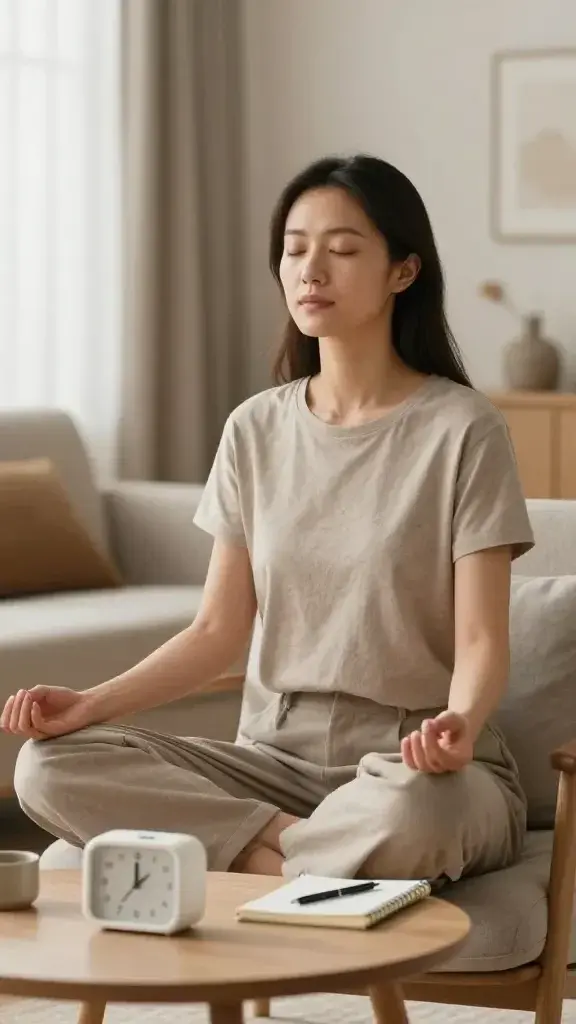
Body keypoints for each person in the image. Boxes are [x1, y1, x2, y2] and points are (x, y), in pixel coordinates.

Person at [2, 154, 534, 883]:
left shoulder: (464, 430)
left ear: (402, 273)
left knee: (419, 817)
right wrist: (88, 705)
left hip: (411, 767)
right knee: (45, 766)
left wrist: (461, 727)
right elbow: (218, 632)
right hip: (270, 763)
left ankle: (242, 857)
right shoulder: (254, 429)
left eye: (343, 250)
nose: (312, 269)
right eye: (294, 248)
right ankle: (296, 855)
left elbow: (480, 638)